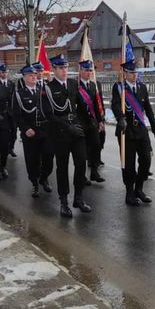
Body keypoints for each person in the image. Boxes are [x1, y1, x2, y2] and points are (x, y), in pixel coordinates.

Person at [43, 54, 91, 218]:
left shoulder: (73, 84)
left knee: (81, 164)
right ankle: (64, 201)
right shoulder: (48, 89)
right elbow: (49, 114)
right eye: (61, 68)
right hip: (60, 134)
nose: (65, 70)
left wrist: (90, 123)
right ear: (54, 69)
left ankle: (78, 197)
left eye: (66, 67)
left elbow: (82, 107)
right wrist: (67, 127)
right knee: (62, 168)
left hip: (76, 132)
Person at [111, 59, 155, 206]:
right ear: (124, 73)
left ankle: (139, 188)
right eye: (131, 72)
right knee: (129, 164)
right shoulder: (119, 88)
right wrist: (120, 118)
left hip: (141, 130)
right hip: (126, 130)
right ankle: (129, 192)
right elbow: (114, 104)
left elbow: (148, 109)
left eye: (135, 72)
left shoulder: (142, 87)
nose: (134, 75)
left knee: (146, 160)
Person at [13, 65, 54, 197]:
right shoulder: (19, 94)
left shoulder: (43, 91)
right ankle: (35, 183)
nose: (33, 77)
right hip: (30, 131)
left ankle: (44, 177)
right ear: (24, 77)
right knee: (32, 159)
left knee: (48, 156)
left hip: (45, 129)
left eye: (35, 75)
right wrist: (25, 129)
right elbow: (16, 115)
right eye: (30, 75)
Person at [77, 60, 105, 184]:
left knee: (96, 146)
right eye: (86, 70)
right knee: (82, 152)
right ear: (80, 71)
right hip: (81, 123)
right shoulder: (75, 86)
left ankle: (94, 172)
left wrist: (100, 121)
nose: (89, 72)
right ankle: (82, 176)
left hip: (92, 122)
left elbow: (96, 105)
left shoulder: (93, 85)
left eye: (90, 70)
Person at [0, 63, 18, 157]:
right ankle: (3, 148)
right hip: (1, 112)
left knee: (13, 131)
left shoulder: (11, 83)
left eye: (6, 72)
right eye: (3, 72)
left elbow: (14, 97)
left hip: (11, 112)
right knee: (3, 132)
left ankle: (11, 148)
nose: (5, 74)